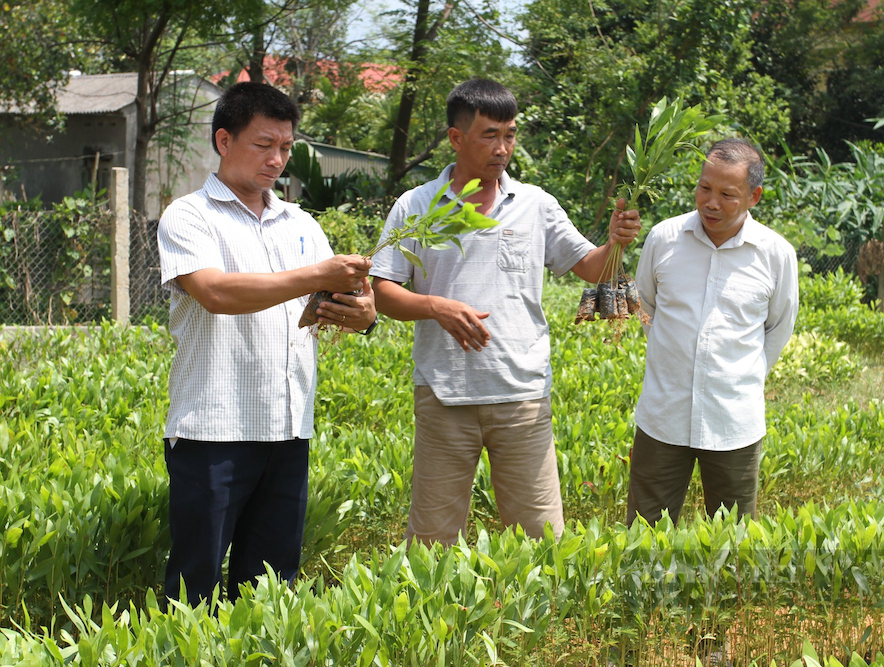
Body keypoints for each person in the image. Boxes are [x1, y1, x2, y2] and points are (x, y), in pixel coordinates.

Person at [370, 78, 641, 546]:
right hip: (444, 394)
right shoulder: (416, 207)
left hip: (522, 397)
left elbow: (592, 269)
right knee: (433, 539)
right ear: (456, 138)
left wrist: (616, 243)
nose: (503, 148)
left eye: (510, 135)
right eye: (489, 135)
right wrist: (436, 307)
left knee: (541, 538)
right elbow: (383, 292)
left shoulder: (535, 205)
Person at [156, 81, 376, 604]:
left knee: (269, 589)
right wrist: (313, 274)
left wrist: (363, 314)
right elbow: (214, 292)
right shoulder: (188, 216)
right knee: (195, 583)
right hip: (214, 428)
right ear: (224, 140)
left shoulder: (300, 224)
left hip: (287, 427)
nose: (276, 159)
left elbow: (334, 305)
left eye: (285, 147)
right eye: (262, 145)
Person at [626, 137, 798, 530]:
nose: (711, 203)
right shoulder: (664, 238)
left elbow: (778, 328)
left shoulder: (775, 254)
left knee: (731, 538)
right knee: (645, 531)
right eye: (705, 188)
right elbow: (645, 306)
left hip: (733, 420)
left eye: (727, 194)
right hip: (662, 416)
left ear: (754, 196)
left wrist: (740, 376)